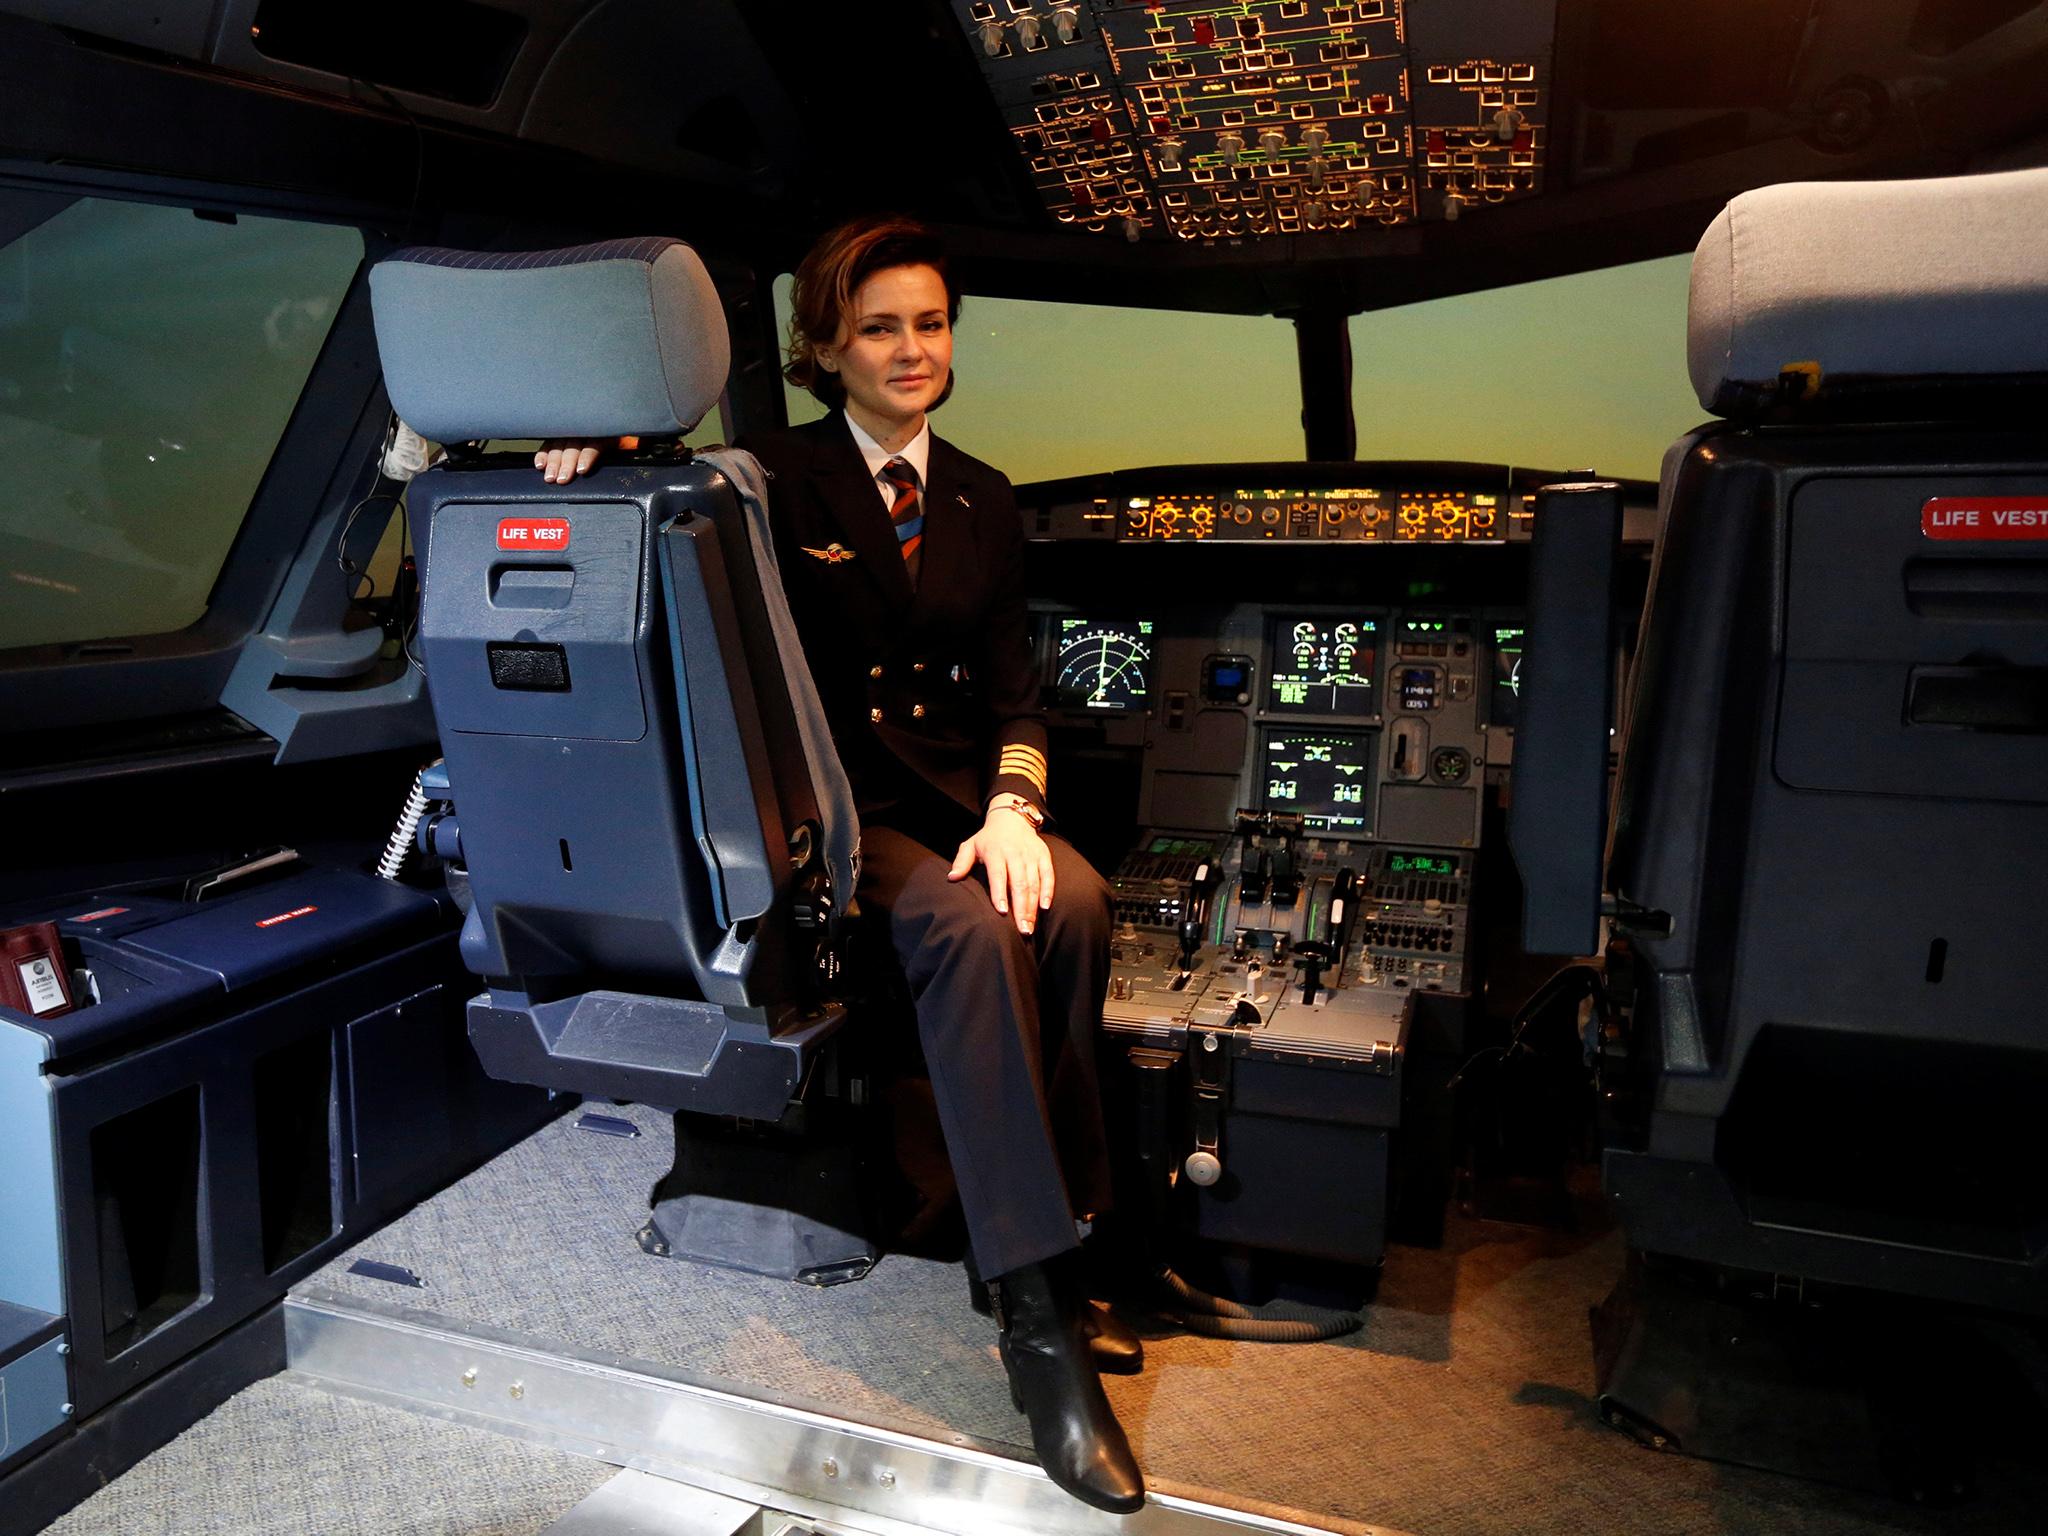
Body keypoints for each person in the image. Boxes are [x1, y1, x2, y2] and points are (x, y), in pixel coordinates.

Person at [537, 216, 1144, 1515]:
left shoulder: (982, 495)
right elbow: (676, 512)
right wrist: (604, 457)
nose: (912, 349)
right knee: (972, 935)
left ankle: (1082, 1236)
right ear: (826, 346)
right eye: (881, 327)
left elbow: (1015, 697)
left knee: (1078, 902)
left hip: (960, 807)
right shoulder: (772, 478)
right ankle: (1037, 1322)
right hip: (830, 822)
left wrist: (1017, 810)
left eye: (930, 323)